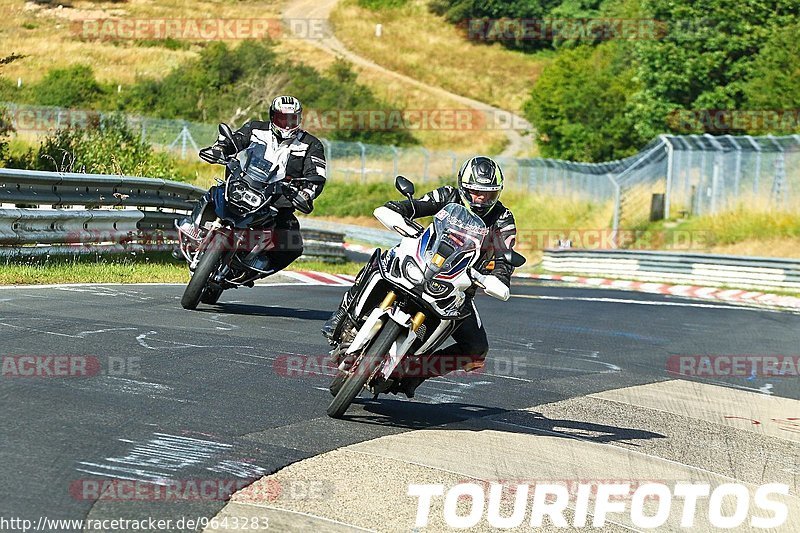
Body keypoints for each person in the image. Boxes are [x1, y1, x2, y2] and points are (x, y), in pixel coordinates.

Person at [321, 156, 517, 398]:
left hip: (458, 285)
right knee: (379, 262)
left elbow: (505, 257)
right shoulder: (447, 195)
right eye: (475, 191)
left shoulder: (503, 219)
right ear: (463, 187)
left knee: (477, 349)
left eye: (488, 194)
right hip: (421, 261)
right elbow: (411, 207)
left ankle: (415, 372)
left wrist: (498, 279)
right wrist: (398, 214)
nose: (481, 198)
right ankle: (342, 315)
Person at [183, 95, 327, 276]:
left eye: (292, 119)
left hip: (276, 200)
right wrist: (220, 149)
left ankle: (254, 266)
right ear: (272, 116)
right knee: (215, 193)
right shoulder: (255, 128)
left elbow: (316, 175)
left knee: (293, 244)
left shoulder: (311, 144)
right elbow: (234, 141)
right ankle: (193, 229)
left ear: (299, 118)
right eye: (282, 118)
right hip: (243, 184)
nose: (287, 124)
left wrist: (306, 193)